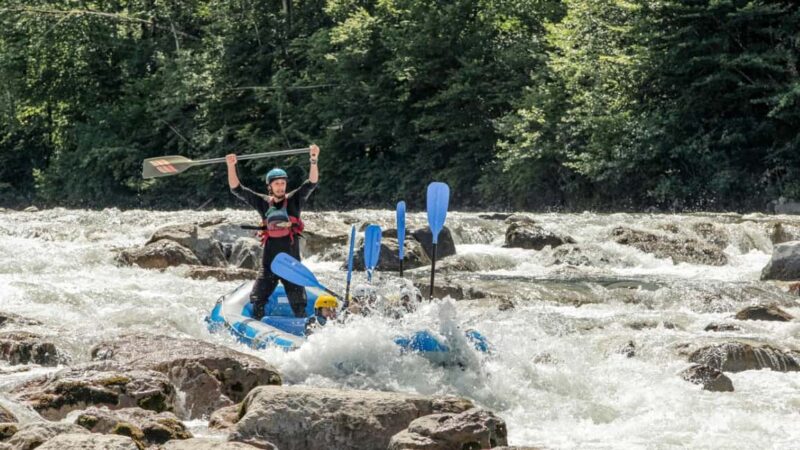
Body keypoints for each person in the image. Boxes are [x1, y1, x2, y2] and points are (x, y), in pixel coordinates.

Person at [225, 145, 320, 319]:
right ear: (270, 186)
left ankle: (304, 330)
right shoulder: (262, 203)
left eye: (283, 183)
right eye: (277, 184)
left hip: (291, 265)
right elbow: (236, 189)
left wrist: (313, 159)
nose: (280, 187)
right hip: (269, 265)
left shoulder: (294, 201)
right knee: (257, 301)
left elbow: (311, 183)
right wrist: (231, 165)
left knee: (299, 306)